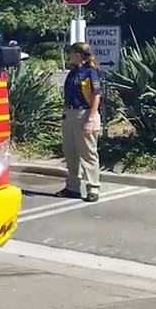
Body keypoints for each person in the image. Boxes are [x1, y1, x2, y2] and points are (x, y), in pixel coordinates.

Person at [60, 41, 102, 202]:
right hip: (70, 114)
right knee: (70, 152)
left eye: (71, 53)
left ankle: (93, 188)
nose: (69, 55)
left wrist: (91, 119)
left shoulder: (90, 72)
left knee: (88, 153)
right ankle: (72, 187)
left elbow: (96, 95)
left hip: (84, 114)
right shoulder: (73, 72)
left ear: (77, 54)